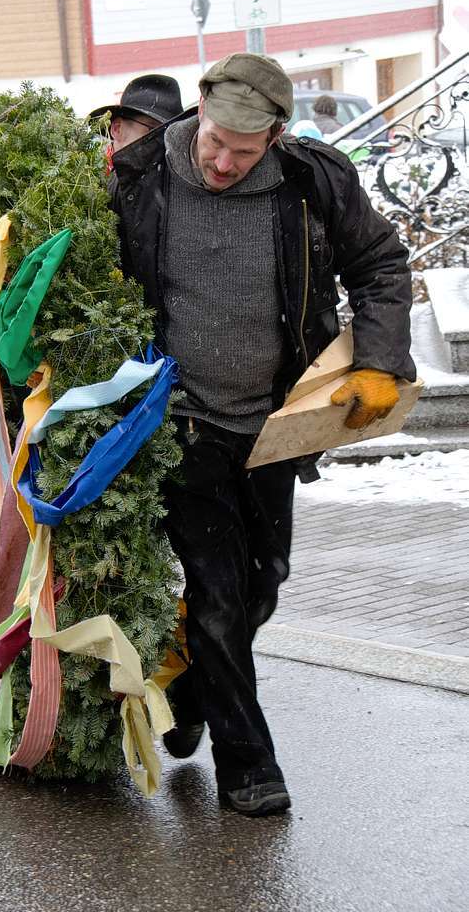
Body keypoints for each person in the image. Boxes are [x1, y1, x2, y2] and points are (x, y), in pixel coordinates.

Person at [110, 52, 415, 817]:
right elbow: (61, 242)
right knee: (217, 591)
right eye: (214, 141)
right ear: (200, 113)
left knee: (264, 580)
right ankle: (249, 768)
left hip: (274, 422)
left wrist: (379, 361)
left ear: (276, 138)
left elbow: (380, 263)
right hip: (179, 416)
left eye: (243, 153)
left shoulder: (315, 182)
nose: (221, 162)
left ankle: (184, 692)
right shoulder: (141, 171)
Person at [88, 73, 184, 154]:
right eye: (152, 130)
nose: (163, 141)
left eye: (171, 133)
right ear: (117, 129)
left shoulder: (178, 173)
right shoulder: (85, 173)